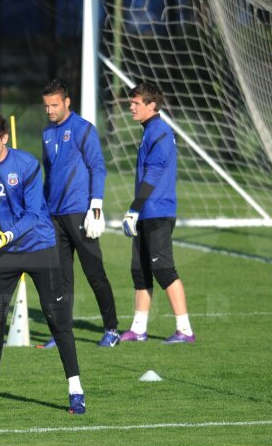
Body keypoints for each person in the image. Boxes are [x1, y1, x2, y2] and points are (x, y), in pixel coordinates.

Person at [0, 111, 87, 413]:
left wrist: (7, 236)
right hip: (3, 252)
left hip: (39, 248)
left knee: (57, 320)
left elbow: (34, 214)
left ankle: (76, 391)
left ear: (4, 138)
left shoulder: (27, 164)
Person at [36, 78, 121, 349]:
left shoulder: (83, 129)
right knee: (60, 279)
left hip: (80, 213)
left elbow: (98, 167)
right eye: (46, 106)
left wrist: (96, 206)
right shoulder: (46, 133)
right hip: (54, 216)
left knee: (95, 274)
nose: (50, 110)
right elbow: (49, 174)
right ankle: (62, 333)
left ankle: (112, 329)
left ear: (67, 102)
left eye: (54, 105)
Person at [117, 81, 195, 344]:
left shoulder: (159, 131)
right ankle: (138, 329)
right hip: (146, 212)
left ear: (151, 105)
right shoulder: (149, 130)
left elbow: (154, 172)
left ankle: (185, 330)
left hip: (157, 211)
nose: (131, 107)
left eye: (136, 103)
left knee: (163, 269)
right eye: (131, 102)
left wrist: (134, 208)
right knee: (140, 270)